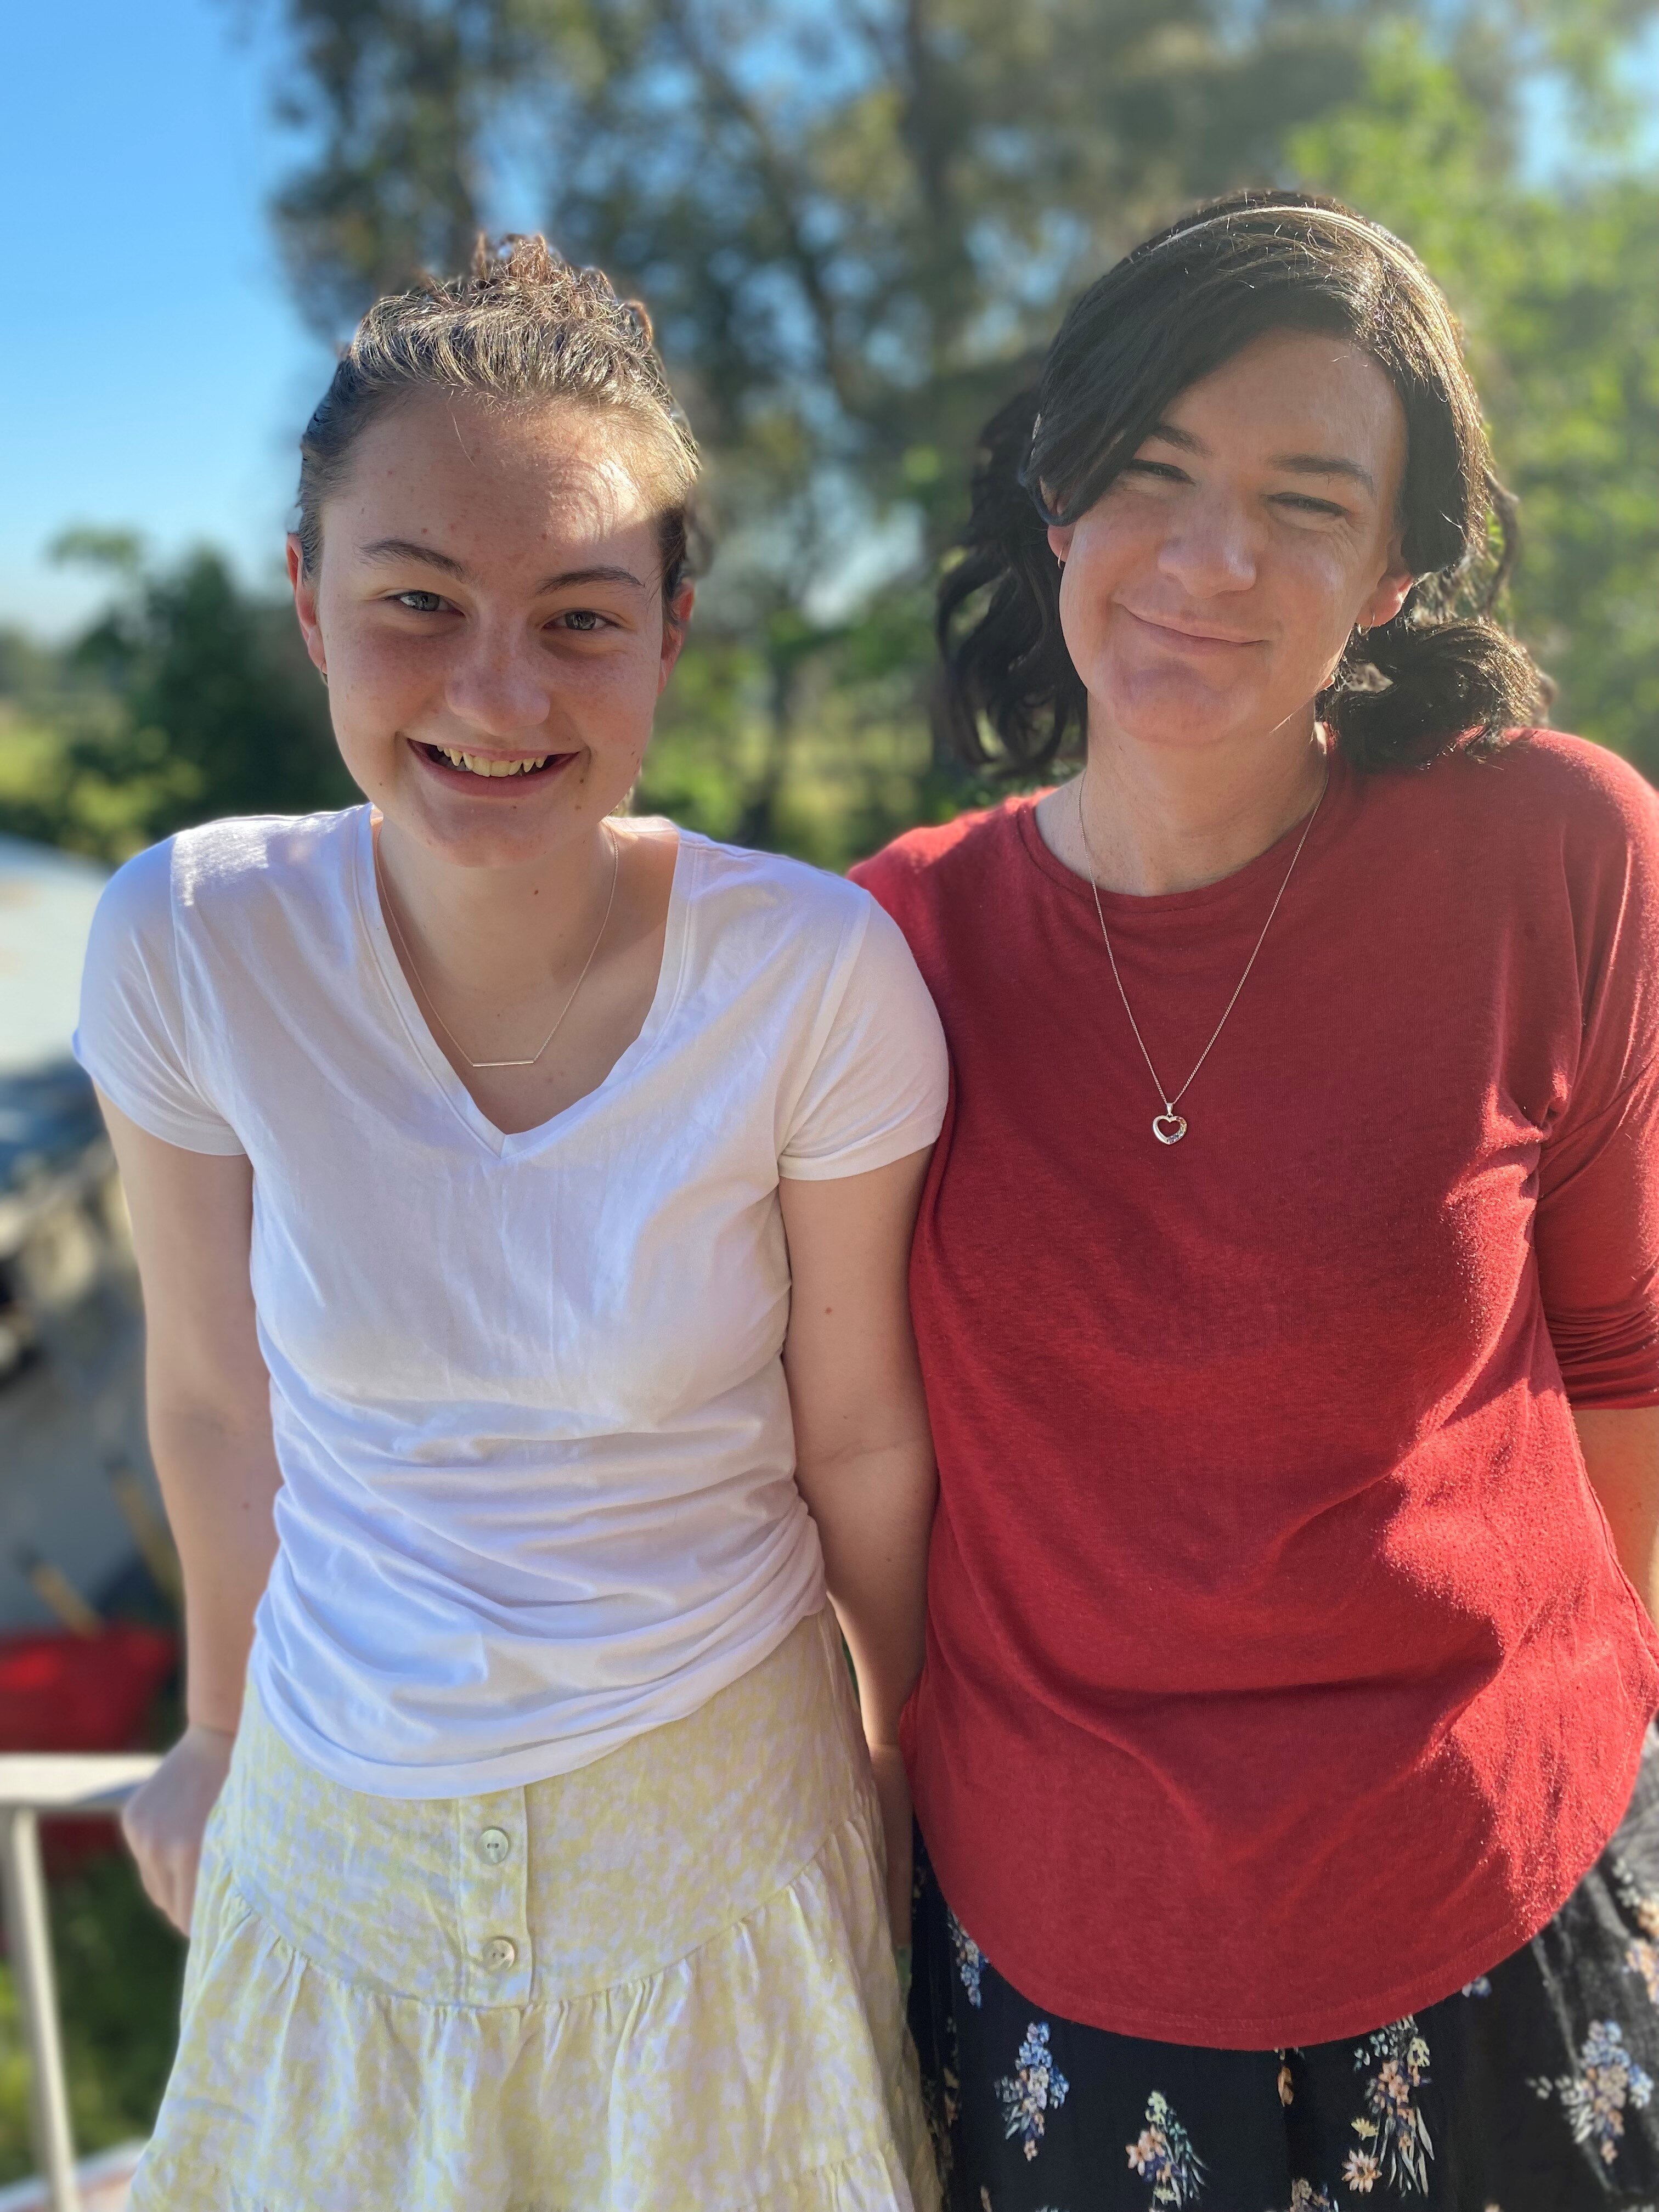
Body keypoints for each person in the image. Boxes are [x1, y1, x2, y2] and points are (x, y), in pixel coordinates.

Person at [77, 238, 945, 2212]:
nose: (495, 693)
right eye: (416, 604)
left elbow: (864, 1439)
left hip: (721, 1829)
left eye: (578, 616)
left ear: (671, 632)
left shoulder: (812, 976)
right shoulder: (193, 943)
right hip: (329, 1841)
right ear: (310, 602)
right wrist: (209, 1727)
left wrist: (906, 1789)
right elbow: (215, 1400)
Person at [851, 191, 1659, 2208]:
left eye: (1309, 503)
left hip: (1506, 1922)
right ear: (1060, 494)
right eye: (1153, 472)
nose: (1213, 562)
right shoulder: (889, 948)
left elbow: (1632, 1351)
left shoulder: (1557, 852)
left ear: (1394, 573)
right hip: (1066, 1972)